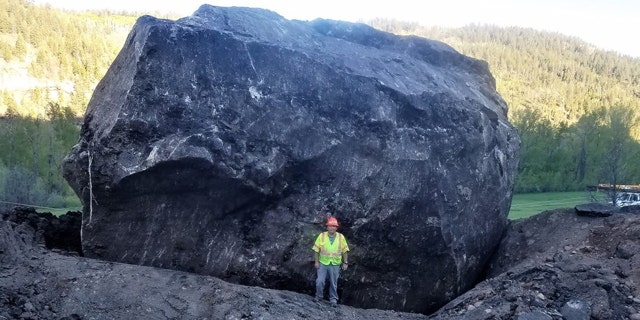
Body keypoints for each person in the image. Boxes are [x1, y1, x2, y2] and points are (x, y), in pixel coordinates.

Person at [312, 216, 349, 306]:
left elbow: (345, 251)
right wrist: (316, 262)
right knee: (320, 281)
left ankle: (333, 300)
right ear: (327, 227)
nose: (332, 228)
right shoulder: (322, 236)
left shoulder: (341, 237)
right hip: (323, 263)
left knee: (333, 283)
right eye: (330, 226)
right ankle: (318, 296)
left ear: (336, 227)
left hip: (335, 264)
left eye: (334, 226)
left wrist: (345, 262)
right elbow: (316, 250)